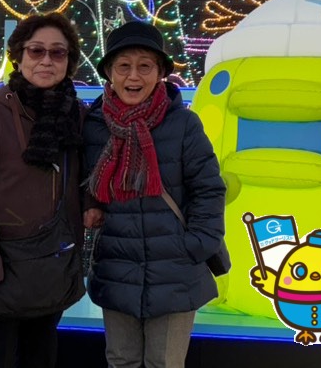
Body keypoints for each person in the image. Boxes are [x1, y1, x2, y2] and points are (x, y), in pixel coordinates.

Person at [82, 21, 227, 368]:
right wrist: (90, 206)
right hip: (117, 266)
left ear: (160, 72)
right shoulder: (95, 125)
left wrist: (195, 245)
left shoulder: (184, 124)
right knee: (121, 360)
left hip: (174, 270)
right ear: (109, 73)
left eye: (145, 66)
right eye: (123, 66)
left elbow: (208, 188)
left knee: (164, 363)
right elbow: (84, 181)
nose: (134, 76)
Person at [0, 13, 86, 368]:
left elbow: (85, 181)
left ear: (69, 61)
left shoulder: (76, 115)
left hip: (51, 268)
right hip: (2, 268)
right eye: (36, 51)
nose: (46, 60)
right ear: (19, 56)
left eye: (58, 52)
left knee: (40, 357)